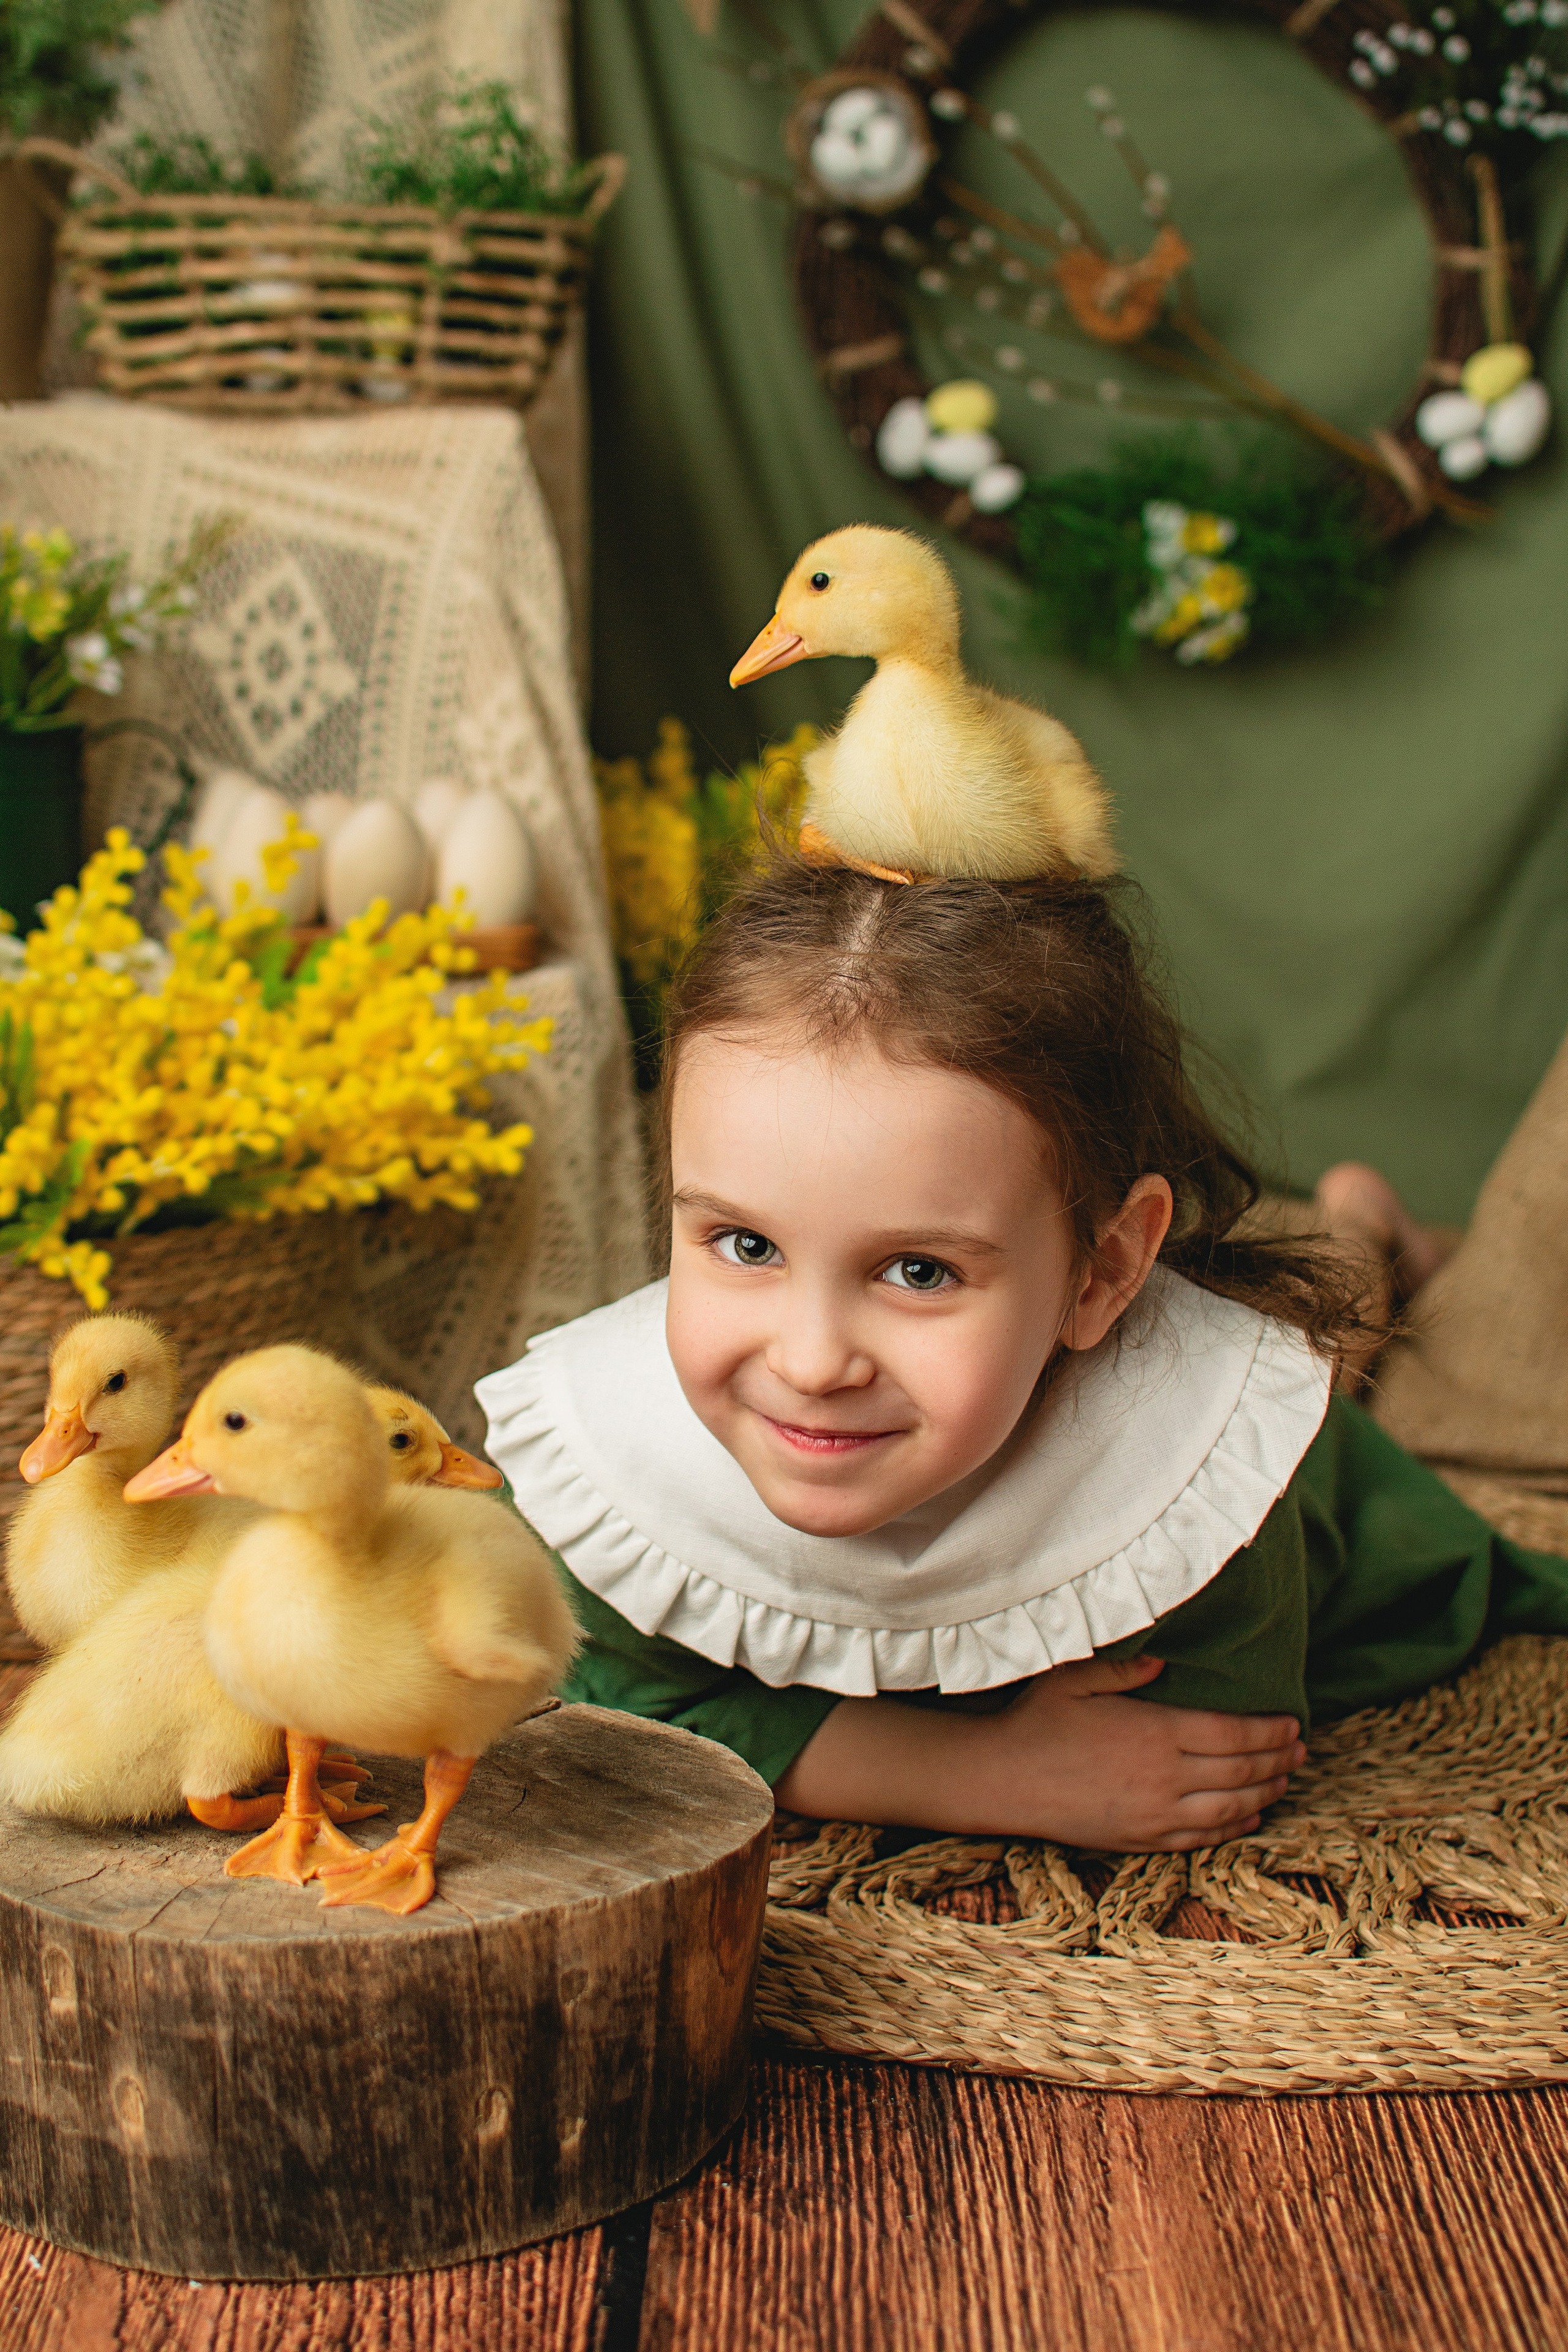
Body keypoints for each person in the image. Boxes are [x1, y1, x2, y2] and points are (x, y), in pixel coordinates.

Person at [477, 861, 1568, 1853]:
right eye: (746, 1244)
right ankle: (1361, 1225)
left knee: (1320, 1334)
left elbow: (1205, 1755)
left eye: (918, 1271)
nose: (810, 1365)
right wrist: (966, 1771)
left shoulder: (1198, 1473)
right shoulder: (612, 1469)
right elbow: (589, 1684)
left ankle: (1366, 1231)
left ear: (1103, 1274)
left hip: (1320, 1466)